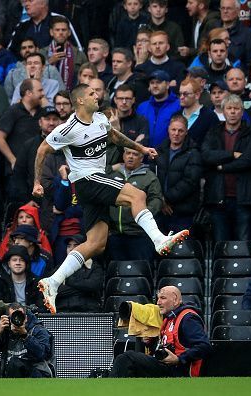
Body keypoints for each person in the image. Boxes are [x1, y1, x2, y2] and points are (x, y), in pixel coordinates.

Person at [32, 83, 190, 314]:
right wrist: (37, 182)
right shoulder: (68, 129)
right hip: (88, 180)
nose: (97, 95)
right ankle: (158, 239)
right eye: (91, 94)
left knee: (96, 244)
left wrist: (142, 149)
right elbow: (42, 150)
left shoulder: (99, 119)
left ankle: (53, 281)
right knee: (138, 194)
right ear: (80, 101)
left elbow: (115, 136)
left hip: (93, 183)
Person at [109, 286, 212, 377]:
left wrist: (179, 359)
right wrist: (151, 342)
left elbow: (205, 346)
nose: (158, 302)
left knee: (128, 358)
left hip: (179, 371)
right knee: (128, 361)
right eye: (158, 298)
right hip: (167, 367)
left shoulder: (187, 318)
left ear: (175, 300)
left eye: (163, 298)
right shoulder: (168, 319)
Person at [201, 94, 251, 241]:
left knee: (244, 243)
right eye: (229, 108)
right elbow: (207, 156)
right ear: (223, 111)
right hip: (218, 198)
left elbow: (249, 160)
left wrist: (222, 167)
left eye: (236, 108)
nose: (233, 112)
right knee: (221, 244)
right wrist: (232, 154)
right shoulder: (213, 132)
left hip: (244, 198)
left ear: (242, 112)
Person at [107, 147, 164, 262]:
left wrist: (140, 217)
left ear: (142, 158)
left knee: (141, 272)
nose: (131, 156)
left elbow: (156, 200)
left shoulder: (149, 177)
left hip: (139, 235)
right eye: (128, 153)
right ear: (123, 156)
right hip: (115, 234)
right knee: (116, 273)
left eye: (135, 154)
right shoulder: (112, 175)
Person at [0, 302, 54, 378]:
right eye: (13, 317)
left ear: (26, 318)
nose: (17, 320)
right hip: (9, 371)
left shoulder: (38, 330)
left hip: (34, 373)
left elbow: (42, 354)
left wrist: (25, 335)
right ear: (8, 319)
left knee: (15, 363)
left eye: (20, 316)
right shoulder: (5, 331)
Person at [154, 114, 202, 236]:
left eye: (180, 130)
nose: (176, 133)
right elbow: (153, 177)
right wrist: (160, 200)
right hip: (160, 210)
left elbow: (189, 182)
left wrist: (166, 199)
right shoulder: (159, 150)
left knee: (182, 251)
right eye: (173, 130)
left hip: (183, 212)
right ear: (168, 130)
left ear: (186, 132)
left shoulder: (193, 153)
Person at [54, 234, 104, 313]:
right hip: (63, 311)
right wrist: (83, 288)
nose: (71, 249)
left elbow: (94, 286)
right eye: (69, 246)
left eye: (76, 246)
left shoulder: (94, 267)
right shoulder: (59, 268)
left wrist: (66, 280)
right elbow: (53, 291)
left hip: (88, 312)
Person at [40, 15, 88, 91]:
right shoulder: (42, 53)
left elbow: (87, 77)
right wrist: (49, 62)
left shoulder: (79, 54)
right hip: (47, 95)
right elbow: (35, 75)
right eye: (57, 30)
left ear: (69, 32)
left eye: (64, 30)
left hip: (72, 95)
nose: (61, 33)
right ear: (51, 32)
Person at [136, 70, 181, 148]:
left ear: (167, 85)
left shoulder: (179, 105)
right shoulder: (142, 107)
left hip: (166, 155)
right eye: (152, 83)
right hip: (144, 155)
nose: (155, 86)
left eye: (158, 82)